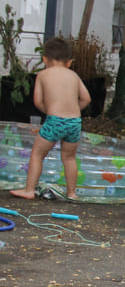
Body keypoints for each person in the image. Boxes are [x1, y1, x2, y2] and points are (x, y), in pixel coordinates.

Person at [9, 37, 90, 200]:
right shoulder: (74, 76)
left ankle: (29, 190)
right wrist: (73, 111)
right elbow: (86, 99)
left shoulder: (43, 75)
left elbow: (37, 101)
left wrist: (51, 111)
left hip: (55, 120)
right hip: (74, 122)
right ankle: (72, 193)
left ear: (45, 59)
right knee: (69, 157)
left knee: (37, 153)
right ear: (69, 62)